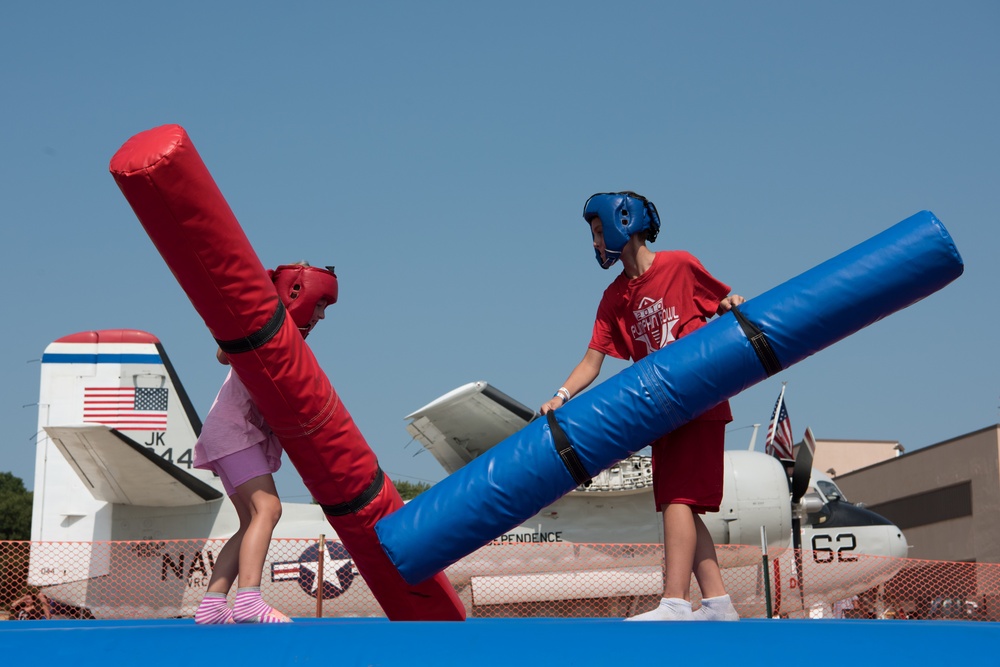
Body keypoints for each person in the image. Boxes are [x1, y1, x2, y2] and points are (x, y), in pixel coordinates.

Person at [539, 192, 744, 622]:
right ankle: (718, 603)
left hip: (699, 400)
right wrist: (560, 396)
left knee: (677, 500)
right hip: (661, 411)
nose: (595, 244)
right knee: (680, 502)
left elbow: (724, 302)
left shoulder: (680, 265)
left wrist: (730, 306)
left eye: (599, 232)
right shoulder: (614, 297)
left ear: (623, 222)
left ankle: (674, 601)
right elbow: (592, 359)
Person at [193, 262, 338, 624]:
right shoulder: (265, 333)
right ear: (296, 295)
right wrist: (259, 312)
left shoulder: (289, 344)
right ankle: (249, 600)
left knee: (249, 521)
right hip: (233, 431)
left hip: (230, 433)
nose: (321, 315)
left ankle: (212, 604)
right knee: (269, 509)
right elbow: (224, 352)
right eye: (319, 304)